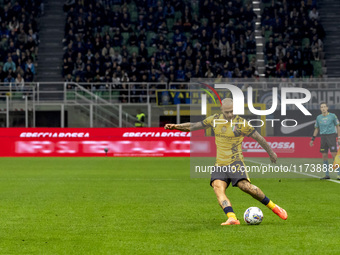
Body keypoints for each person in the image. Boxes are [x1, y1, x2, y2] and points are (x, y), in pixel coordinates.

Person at [165, 98, 288, 225]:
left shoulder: (241, 123)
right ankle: (232, 218)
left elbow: (259, 137)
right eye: (227, 112)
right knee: (218, 187)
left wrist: (271, 152)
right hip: (220, 164)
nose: (230, 114)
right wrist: (176, 126)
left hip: (236, 162)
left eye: (232, 111)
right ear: (221, 110)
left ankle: (274, 207)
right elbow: (194, 126)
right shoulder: (214, 119)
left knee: (246, 187)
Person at [310, 102, 340, 180]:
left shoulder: (333, 116)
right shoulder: (318, 117)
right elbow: (316, 128)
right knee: (324, 155)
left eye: (324, 107)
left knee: (334, 155)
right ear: (320, 109)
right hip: (323, 137)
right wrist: (313, 139)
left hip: (331, 136)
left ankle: (339, 174)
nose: (323, 108)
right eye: (321, 107)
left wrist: (339, 137)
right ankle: (327, 175)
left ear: (327, 108)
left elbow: (338, 126)